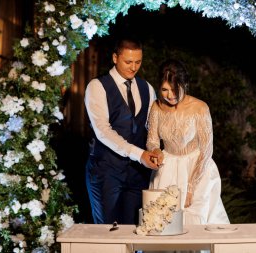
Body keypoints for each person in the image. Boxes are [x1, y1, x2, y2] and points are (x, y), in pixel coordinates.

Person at [84, 35, 159, 225]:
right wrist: (138, 154)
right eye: (128, 61)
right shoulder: (97, 86)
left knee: (135, 231)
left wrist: (155, 148)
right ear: (115, 58)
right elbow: (102, 130)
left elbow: (151, 126)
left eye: (138, 62)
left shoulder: (147, 88)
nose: (133, 67)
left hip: (137, 174)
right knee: (108, 231)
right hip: (106, 171)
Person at [147, 59, 230, 225]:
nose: (170, 95)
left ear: (184, 84)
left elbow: (207, 150)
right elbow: (152, 141)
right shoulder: (156, 107)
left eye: (175, 89)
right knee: (162, 223)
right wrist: (156, 151)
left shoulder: (200, 108)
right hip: (167, 168)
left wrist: (191, 189)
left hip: (197, 169)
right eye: (164, 89)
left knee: (194, 223)